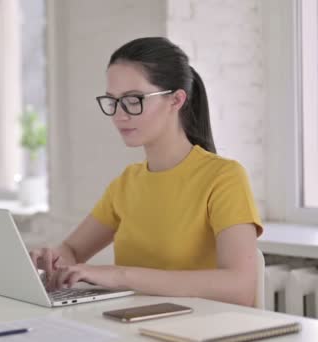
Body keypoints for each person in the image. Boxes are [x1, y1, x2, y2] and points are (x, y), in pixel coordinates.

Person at [29, 37, 262, 307]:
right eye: (112, 101)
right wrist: (53, 260)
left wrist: (121, 276)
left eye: (133, 100)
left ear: (176, 100)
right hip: (132, 325)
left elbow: (240, 287)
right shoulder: (127, 182)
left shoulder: (224, 177)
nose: (119, 115)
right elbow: (73, 250)